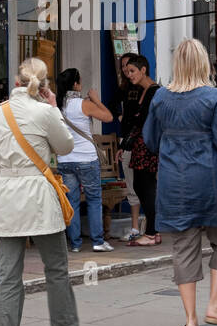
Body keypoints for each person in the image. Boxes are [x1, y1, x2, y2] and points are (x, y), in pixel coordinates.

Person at [143, 39, 217, 326]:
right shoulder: (212, 97)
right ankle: (215, 306)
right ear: (203, 64)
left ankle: (190, 320)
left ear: (177, 65)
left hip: (173, 182)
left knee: (183, 248)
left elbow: (150, 141)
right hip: (208, 179)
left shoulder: (161, 98)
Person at [0, 57, 85, 326]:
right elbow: (66, 146)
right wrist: (54, 106)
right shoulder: (44, 112)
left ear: (16, 82)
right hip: (39, 197)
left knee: (8, 275)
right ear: (43, 87)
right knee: (56, 267)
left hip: (7, 198)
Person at [55, 67, 115, 253]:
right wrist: (96, 99)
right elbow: (108, 117)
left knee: (71, 201)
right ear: (75, 84)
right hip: (86, 159)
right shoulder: (83, 104)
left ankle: (75, 244)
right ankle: (97, 241)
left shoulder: (57, 105)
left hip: (65, 159)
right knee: (94, 199)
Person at [119, 53, 160, 245]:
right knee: (141, 185)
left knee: (146, 186)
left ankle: (152, 232)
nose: (130, 75)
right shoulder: (143, 91)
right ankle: (153, 230)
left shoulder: (154, 91)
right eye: (127, 72)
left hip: (148, 145)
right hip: (140, 144)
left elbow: (145, 121)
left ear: (143, 70)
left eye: (132, 71)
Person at [113, 54, 144, 240]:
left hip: (143, 143)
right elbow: (112, 103)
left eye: (130, 68)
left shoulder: (148, 89)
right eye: (124, 67)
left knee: (147, 186)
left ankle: (150, 227)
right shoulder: (124, 88)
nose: (127, 71)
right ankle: (135, 228)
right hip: (127, 141)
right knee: (132, 185)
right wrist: (119, 116)